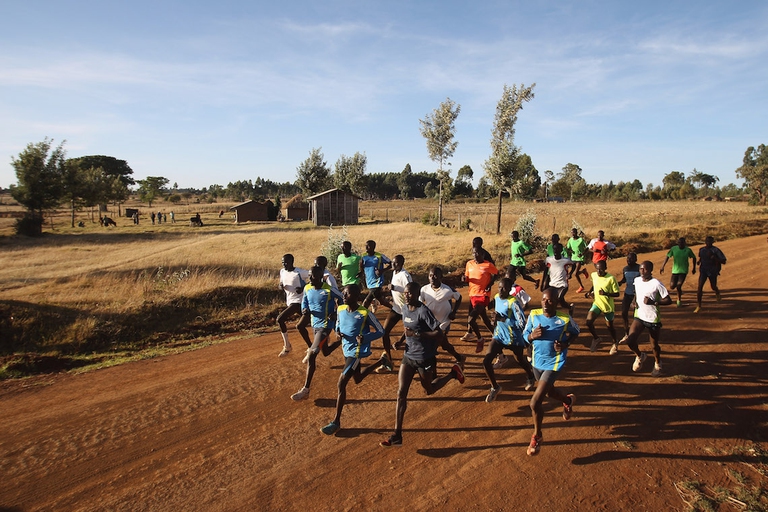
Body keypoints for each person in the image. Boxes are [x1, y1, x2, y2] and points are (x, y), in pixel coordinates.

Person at [380, 282, 465, 447]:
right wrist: (400, 341)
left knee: (429, 390)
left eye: (409, 293)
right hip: (409, 356)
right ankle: (397, 435)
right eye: (405, 293)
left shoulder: (423, 311)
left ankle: (453, 373)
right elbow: (407, 329)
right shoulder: (405, 308)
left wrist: (418, 333)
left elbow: (438, 333)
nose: (406, 296)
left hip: (424, 357)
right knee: (401, 393)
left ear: (417, 294)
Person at [320, 284, 387, 436]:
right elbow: (338, 324)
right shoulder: (341, 308)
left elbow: (381, 331)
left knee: (342, 382)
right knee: (357, 378)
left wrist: (365, 338)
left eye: (347, 293)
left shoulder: (365, 313)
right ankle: (382, 361)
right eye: (343, 293)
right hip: (346, 349)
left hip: (356, 352)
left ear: (356, 297)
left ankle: (336, 422)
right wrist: (338, 331)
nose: (344, 296)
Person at [523, 287, 580, 456]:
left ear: (556, 302)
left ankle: (537, 436)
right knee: (549, 393)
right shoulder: (534, 315)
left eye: (549, 300)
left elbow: (576, 332)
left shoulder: (564, 318)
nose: (545, 303)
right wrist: (532, 336)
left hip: (554, 363)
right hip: (536, 361)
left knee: (535, 402)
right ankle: (567, 401)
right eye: (543, 300)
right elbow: (525, 335)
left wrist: (565, 344)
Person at [291, 266, 344, 401]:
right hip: (314, 325)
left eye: (312, 276)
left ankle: (306, 389)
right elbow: (305, 302)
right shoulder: (307, 288)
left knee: (312, 355)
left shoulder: (329, 290)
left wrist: (336, 312)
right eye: (309, 276)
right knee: (325, 352)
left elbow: (343, 300)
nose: (310, 279)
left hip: (325, 326)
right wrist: (304, 309)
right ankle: (342, 340)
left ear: (320, 277)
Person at [483, 277, 535, 403]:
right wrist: (494, 320)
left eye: (504, 288)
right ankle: (495, 387)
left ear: (509, 289)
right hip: (499, 336)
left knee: (520, 360)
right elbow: (497, 314)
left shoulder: (514, 303)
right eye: (499, 287)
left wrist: (503, 320)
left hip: (513, 338)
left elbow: (522, 324)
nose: (501, 290)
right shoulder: (496, 297)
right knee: (486, 361)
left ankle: (531, 375)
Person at [625, 261, 672, 377]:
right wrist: (633, 302)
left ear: (651, 270)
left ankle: (657, 363)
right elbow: (637, 293)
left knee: (654, 345)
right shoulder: (637, 280)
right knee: (630, 340)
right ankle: (640, 355)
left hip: (652, 319)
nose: (642, 271)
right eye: (641, 269)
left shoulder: (656, 284)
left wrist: (654, 302)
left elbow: (668, 300)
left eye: (645, 269)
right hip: (639, 315)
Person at [419, 266, 465, 366]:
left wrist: (454, 312)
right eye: (430, 275)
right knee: (444, 345)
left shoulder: (447, 290)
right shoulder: (424, 289)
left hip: (444, 322)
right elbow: (420, 303)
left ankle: (429, 367)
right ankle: (459, 357)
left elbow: (459, 297)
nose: (432, 278)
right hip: (430, 322)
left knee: (433, 344)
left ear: (441, 277)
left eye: (435, 276)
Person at [460, 246, 499, 353]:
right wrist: (464, 279)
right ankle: (497, 337)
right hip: (472, 295)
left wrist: (490, 283)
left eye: (478, 253)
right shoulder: (469, 264)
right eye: (473, 253)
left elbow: (496, 273)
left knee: (471, 319)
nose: (475, 255)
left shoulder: (488, 265)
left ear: (482, 255)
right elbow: (467, 277)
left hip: (483, 295)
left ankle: (480, 339)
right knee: (485, 320)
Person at [378, 254, 410, 373]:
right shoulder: (394, 273)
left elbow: (409, 289)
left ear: (402, 263)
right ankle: (389, 361)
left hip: (407, 309)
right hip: (397, 309)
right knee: (384, 332)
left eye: (396, 263)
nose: (393, 264)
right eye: (392, 262)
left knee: (411, 332)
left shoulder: (405, 275)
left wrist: (395, 288)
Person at [277, 254, 309, 357]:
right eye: (283, 263)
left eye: (286, 262)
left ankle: (287, 346)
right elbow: (280, 283)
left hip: (299, 302)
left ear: (292, 262)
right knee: (309, 324)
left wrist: (303, 288)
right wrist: (280, 286)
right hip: (290, 301)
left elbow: (315, 278)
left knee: (280, 319)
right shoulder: (282, 272)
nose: (284, 264)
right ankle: (313, 345)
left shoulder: (299, 272)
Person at [584, 260, 620, 353]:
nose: (599, 272)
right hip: (597, 304)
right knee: (588, 322)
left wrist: (606, 293)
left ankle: (615, 342)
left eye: (601, 270)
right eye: (597, 269)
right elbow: (594, 284)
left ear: (605, 268)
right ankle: (596, 338)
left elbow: (617, 294)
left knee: (610, 327)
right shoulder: (594, 275)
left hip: (608, 307)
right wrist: (589, 292)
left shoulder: (611, 278)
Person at [660, 237, 696, 307]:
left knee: (679, 285)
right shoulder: (674, 249)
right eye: (679, 243)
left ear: (685, 243)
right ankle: (679, 291)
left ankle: (679, 301)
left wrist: (694, 268)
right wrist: (662, 266)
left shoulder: (688, 250)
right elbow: (667, 256)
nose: (680, 244)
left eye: (682, 243)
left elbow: (694, 257)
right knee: (672, 286)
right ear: (677, 243)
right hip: (675, 271)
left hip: (684, 271)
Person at [694, 236, 727, 313]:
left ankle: (717, 292)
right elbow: (701, 258)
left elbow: (723, 261)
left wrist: (714, 257)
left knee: (713, 286)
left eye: (710, 241)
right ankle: (699, 306)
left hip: (712, 271)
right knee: (699, 287)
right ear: (705, 241)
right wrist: (699, 261)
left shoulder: (716, 250)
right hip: (703, 270)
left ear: (713, 242)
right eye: (707, 241)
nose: (708, 243)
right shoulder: (701, 250)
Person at [616, 252, 641, 350]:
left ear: (635, 259)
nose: (628, 260)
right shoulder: (625, 269)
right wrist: (620, 282)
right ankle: (626, 333)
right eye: (627, 259)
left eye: (631, 259)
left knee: (636, 316)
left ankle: (634, 334)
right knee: (623, 313)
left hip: (637, 295)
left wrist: (636, 298)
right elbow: (624, 279)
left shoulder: (639, 268)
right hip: (627, 294)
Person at [541, 243, 574, 314]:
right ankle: (570, 307)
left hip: (563, 285)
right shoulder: (549, 259)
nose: (556, 250)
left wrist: (570, 273)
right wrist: (544, 282)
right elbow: (546, 270)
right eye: (554, 249)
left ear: (561, 250)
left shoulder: (566, 260)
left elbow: (573, 265)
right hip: (552, 284)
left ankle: (553, 315)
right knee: (561, 302)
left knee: (558, 299)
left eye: (558, 249)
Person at [360, 240, 393, 312]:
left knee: (366, 301)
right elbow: (362, 266)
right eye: (365, 246)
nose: (366, 247)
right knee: (381, 301)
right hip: (369, 281)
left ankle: (361, 315)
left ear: (373, 247)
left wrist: (382, 271)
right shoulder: (363, 256)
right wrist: (361, 271)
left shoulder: (379, 256)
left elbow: (391, 263)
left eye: (368, 246)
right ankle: (394, 309)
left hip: (377, 282)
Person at [566, 228, 589, 293]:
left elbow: (587, 248)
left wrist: (582, 254)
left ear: (576, 233)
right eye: (572, 233)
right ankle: (583, 271)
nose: (573, 234)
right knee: (571, 274)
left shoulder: (581, 240)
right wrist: (570, 251)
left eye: (574, 233)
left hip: (580, 258)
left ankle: (581, 286)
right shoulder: (570, 240)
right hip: (573, 258)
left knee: (575, 273)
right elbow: (568, 248)